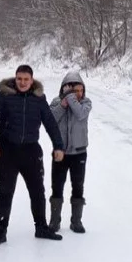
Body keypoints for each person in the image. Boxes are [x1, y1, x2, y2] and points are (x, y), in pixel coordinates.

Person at [0, 65, 65, 246]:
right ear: (15, 78)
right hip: (7, 152)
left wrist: (58, 146)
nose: (22, 82)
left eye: (26, 79)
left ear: (32, 80)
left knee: (37, 192)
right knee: (5, 192)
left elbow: (50, 123)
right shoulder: (5, 96)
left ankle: (41, 227)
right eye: (19, 78)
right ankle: (1, 231)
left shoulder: (39, 98)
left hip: (31, 151)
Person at [48, 71, 92, 233]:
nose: (78, 94)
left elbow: (80, 115)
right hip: (60, 153)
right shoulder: (56, 102)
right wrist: (63, 104)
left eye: (80, 90)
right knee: (57, 186)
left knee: (78, 187)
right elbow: (50, 120)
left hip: (79, 152)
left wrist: (71, 98)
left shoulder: (86, 103)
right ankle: (54, 221)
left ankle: (76, 221)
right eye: (75, 90)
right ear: (65, 89)